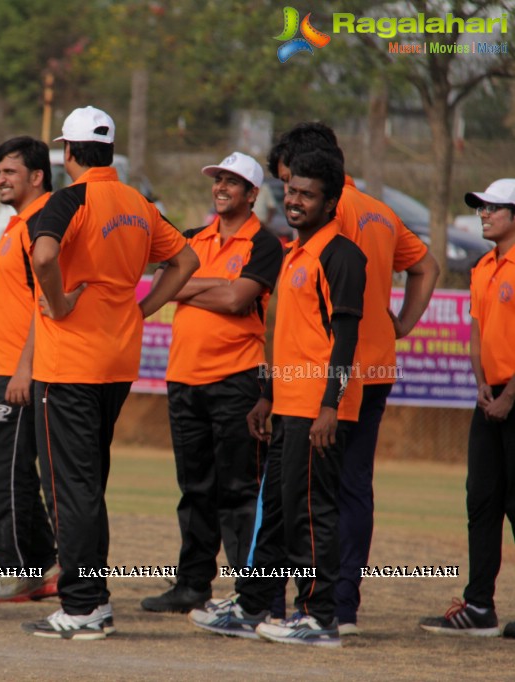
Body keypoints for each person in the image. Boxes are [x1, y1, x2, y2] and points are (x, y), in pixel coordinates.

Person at [21, 106, 199, 640]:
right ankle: (90, 599)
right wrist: (143, 308)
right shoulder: (137, 203)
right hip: (117, 362)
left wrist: (57, 303)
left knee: (71, 488)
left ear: (69, 153)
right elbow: (187, 260)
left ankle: (81, 607)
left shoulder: (68, 199)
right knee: (88, 484)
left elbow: (44, 256)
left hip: (68, 364)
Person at [267, 123, 439, 633]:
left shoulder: (330, 216)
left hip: (329, 372)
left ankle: (307, 608)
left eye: (294, 181)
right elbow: (426, 266)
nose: (291, 193)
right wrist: (401, 325)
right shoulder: (382, 213)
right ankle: (343, 607)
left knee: (310, 493)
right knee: (353, 487)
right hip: (376, 364)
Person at [190, 150, 366, 647]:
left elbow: (345, 338)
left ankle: (318, 617)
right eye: (290, 191)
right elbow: (282, 332)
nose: (294, 201)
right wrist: (266, 394)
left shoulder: (342, 255)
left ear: (330, 201)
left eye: (307, 194)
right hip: (286, 404)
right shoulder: (294, 252)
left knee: (311, 513)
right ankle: (250, 606)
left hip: (318, 410)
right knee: (277, 510)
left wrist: (330, 405)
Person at [140, 152, 282, 614]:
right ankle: (192, 585)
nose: (221, 187)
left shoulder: (265, 243)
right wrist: (210, 283)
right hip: (183, 379)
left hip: (237, 380)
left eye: (233, 182)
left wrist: (191, 283)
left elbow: (240, 299)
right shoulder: (190, 239)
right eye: (218, 179)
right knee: (195, 488)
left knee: (239, 490)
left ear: (252, 194)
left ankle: (250, 592)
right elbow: (162, 287)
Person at [420, 178, 515, 637]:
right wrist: (482, 386)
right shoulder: (482, 266)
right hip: (489, 396)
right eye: (481, 207)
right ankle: (479, 606)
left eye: (493, 208)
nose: (483, 214)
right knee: (481, 500)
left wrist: (511, 395)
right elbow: (477, 332)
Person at [0, 136, 58, 602]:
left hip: (23, 374)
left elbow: (42, 306)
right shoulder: (16, 223)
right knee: (16, 473)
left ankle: (15, 569)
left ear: (37, 176)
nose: (0, 179)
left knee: (2, 473)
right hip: (2, 370)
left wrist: (23, 369)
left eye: (10, 171)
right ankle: (40, 565)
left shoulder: (41, 222)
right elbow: (6, 304)